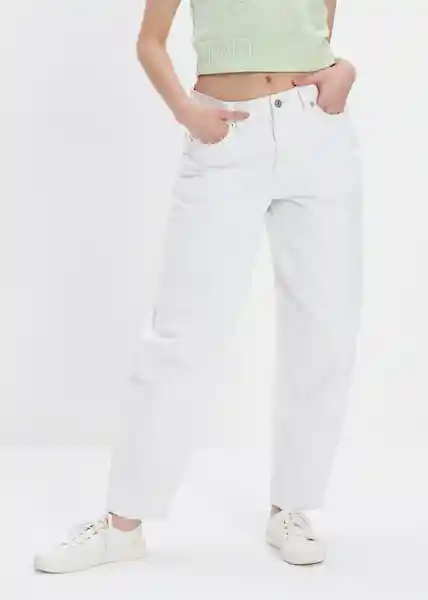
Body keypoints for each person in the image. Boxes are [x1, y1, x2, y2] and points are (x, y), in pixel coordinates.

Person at [34, 0, 361, 573]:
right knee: (182, 334)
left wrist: (342, 71)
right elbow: (150, 41)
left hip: (318, 134)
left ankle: (291, 508)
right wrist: (185, 109)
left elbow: (316, 26)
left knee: (325, 329)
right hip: (226, 134)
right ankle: (122, 525)